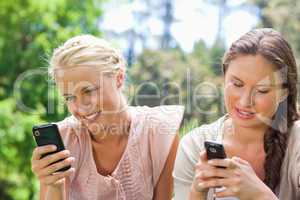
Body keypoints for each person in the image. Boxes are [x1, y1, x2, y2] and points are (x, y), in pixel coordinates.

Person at [31, 35, 184, 200]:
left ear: (119, 78)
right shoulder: (64, 140)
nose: (80, 108)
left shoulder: (159, 133)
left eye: (88, 91)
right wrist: (54, 186)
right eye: (69, 97)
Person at [173, 28, 300, 200]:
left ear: (284, 93)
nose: (245, 101)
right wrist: (198, 192)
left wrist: (260, 195)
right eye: (237, 84)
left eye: (262, 90)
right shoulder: (194, 146)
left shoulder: (296, 145)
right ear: (224, 78)